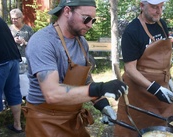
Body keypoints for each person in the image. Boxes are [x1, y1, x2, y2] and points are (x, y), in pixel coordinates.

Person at [24, 0, 127, 137]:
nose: (90, 25)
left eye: (93, 20)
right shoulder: (43, 42)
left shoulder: (81, 42)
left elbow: (85, 80)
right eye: (86, 19)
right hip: (45, 121)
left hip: (73, 119)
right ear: (67, 11)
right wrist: (100, 88)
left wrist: (103, 104)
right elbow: (52, 94)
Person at [114, 0, 173, 136]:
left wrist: (168, 80)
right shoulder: (132, 31)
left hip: (162, 88)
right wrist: (154, 88)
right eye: (154, 7)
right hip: (138, 92)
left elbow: (164, 57)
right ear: (142, 6)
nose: (159, 11)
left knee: (162, 129)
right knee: (135, 129)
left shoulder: (162, 24)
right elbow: (130, 69)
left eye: (161, 7)